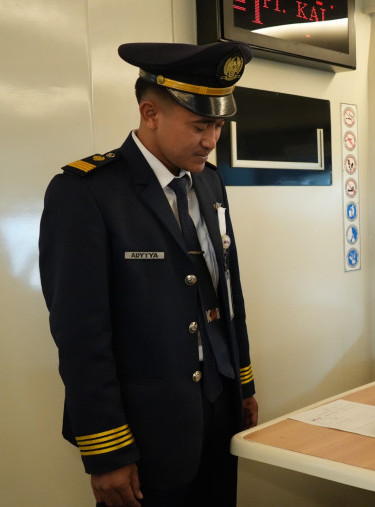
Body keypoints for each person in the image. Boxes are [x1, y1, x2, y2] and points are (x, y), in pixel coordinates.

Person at [39, 41, 258, 507]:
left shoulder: (209, 180)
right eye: (200, 125)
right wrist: (107, 448)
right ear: (150, 113)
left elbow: (227, 290)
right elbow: (81, 337)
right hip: (143, 429)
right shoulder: (87, 193)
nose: (211, 140)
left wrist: (244, 384)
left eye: (218, 125)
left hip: (219, 412)